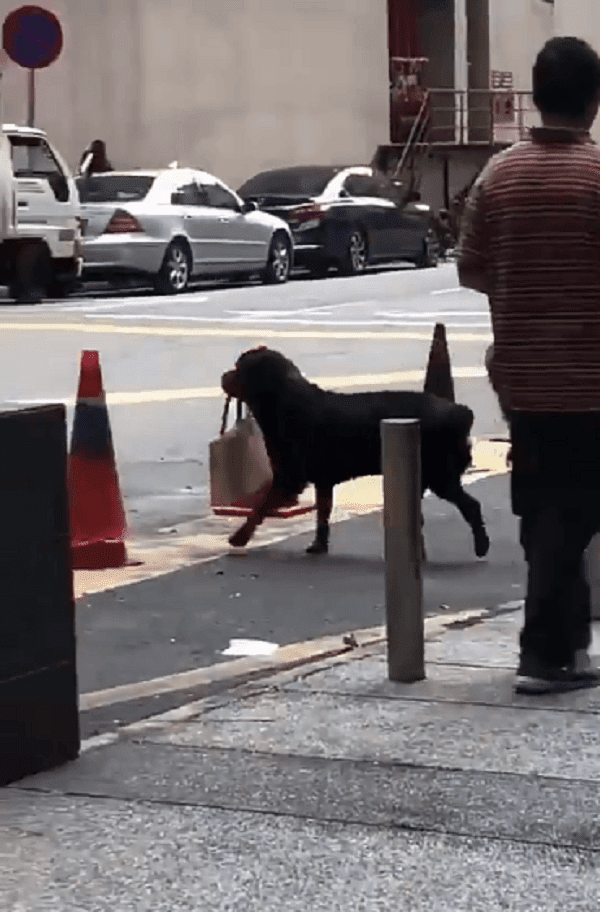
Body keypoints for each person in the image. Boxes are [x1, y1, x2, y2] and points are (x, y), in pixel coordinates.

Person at [457, 36, 600, 695]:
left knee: (549, 512)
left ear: (537, 98)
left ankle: (568, 646)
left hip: (522, 380)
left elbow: (474, 270)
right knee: (565, 519)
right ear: (593, 102)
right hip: (589, 383)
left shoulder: (498, 177)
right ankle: (543, 655)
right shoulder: (597, 179)